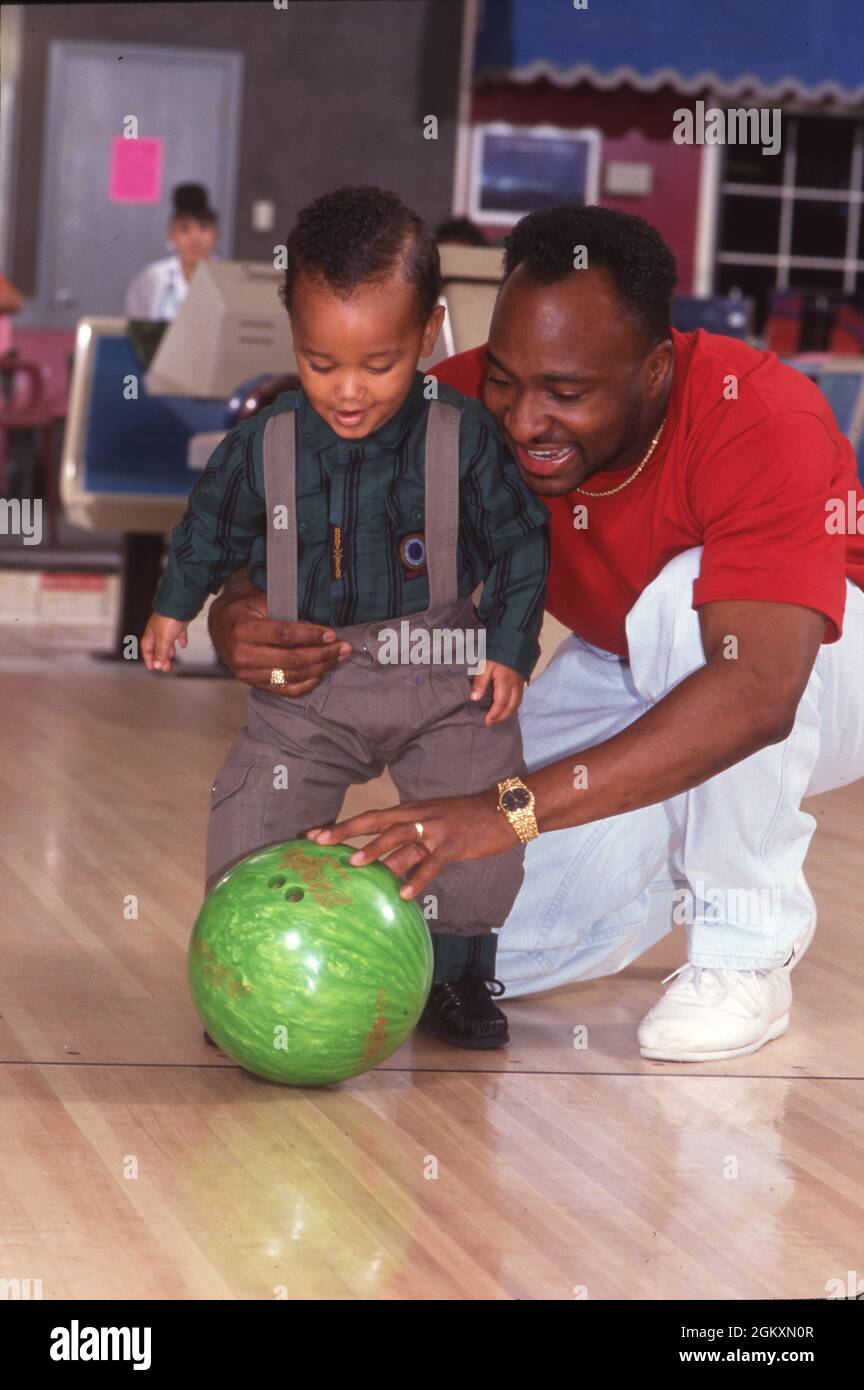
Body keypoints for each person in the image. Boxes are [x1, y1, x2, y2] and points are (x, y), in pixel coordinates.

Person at [211, 204, 864, 1063]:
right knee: (454, 942)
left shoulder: (764, 416)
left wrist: (507, 811)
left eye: (566, 393)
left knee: (678, 606)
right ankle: (678, 831)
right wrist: (239, 614)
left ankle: (744, 946)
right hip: (617, 663)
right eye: (508, 380)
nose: (523, 420)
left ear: (656, 369)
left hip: (818, 664)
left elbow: (757, 694)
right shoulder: (453, 408)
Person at [141, 186, 549, 1049]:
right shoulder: (267, 442)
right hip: (308, 691)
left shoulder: (467, 436)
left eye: (380, 364)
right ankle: (244, 973)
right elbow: (210, 527)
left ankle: (462, 971)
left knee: (489, 820)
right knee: (249, 824)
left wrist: (510, 648)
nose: (350, 392)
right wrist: (175, 609)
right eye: (322, 365)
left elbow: (520, 539)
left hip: (444, 675)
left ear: (432, 332)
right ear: (293, 336)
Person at [124, 183, 218, 321]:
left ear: (215, 234)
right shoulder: (152, 277)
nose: (195, 239)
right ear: (171, 235)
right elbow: (133, 329)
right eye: (185, 229)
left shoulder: (226, 280)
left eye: (203, 228)